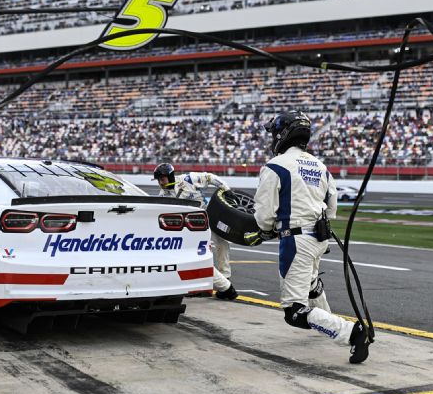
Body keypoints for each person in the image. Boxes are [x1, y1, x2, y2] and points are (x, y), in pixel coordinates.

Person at [249, 111, 369, 364]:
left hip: (295, 239)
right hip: (320, 236)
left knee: (294, 311)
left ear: (282, 134)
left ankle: (350, 333)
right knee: (311, 285)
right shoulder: (320, 166)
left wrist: (264, 229)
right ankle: (326, 320)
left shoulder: (275, 166)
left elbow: (263, 215)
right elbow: (332, 207)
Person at [153, 162, 238, 300]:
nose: (161, 183)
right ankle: (213, 284)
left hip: (208, 215)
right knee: (201, 253)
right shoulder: (163, 195)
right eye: (158, 180)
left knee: (222, 243)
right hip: (190, 228)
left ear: (171, 176)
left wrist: (226, 189)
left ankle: (225, 276)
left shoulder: (189, 179)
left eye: (162, 179)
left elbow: (209, 177)